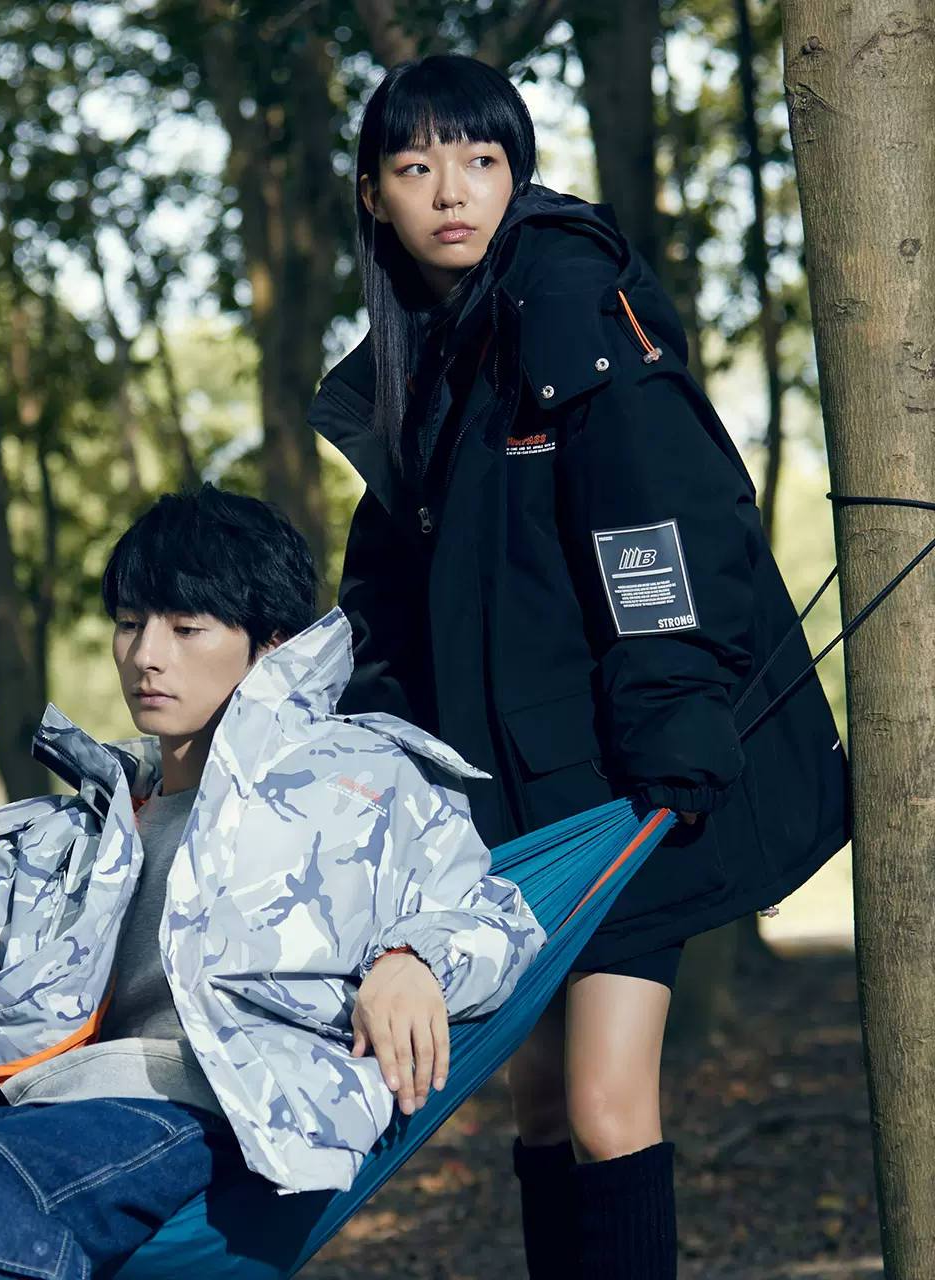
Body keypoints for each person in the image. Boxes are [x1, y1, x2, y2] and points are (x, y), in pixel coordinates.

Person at [0, 486, 545, 1280]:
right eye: (129, 624)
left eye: (186, 629)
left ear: (272, 646)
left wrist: (414, 960)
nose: (146, 655)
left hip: (195, 1115)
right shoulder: (95, 815)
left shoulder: (362, 781)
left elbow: (494, 912)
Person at [308, 55, 849, 1279]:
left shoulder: (562, 292)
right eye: (415, 166)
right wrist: (377, 756)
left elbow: (656, 516)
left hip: (624, 782)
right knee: (541, 1102)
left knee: (607, 1105)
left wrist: (671, 718)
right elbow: (385, 603)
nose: (452, 189)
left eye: (481, 159)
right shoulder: (419, 367)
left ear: (519, 171)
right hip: (515, 809)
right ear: (373, 195)